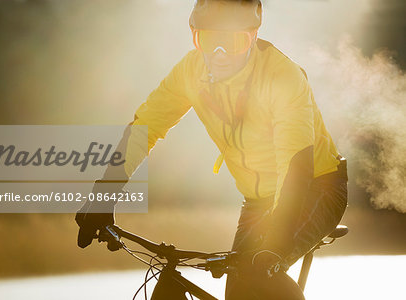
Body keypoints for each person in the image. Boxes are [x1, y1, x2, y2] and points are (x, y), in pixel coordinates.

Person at [76, 0, 348, 299]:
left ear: (253, 37)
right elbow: (145, 129)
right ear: (195, 37)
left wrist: (276, 243)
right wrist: (103, 195)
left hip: (315, 187)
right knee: (237, 291)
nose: (218, 55)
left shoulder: (281, 76)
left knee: (259, 274)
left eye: (232, 42)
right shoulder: (190, 71)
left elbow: (295, 166)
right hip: (258, 199)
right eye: (207, 40)